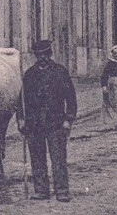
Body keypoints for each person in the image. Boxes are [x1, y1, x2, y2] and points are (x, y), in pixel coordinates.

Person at [20, 39, 78, 202]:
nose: (43, 58)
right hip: (34, 123)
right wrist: (21, 119)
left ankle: (62, 190)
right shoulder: (29, 74)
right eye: (39, 55)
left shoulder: (60, 72)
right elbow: (21, 100)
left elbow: (71, 98)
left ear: (50, 54)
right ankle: (41, 190)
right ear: (36, 56)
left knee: (58, 158)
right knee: (37, 158)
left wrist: (69, 119)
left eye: (45, 54)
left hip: (56, 122)